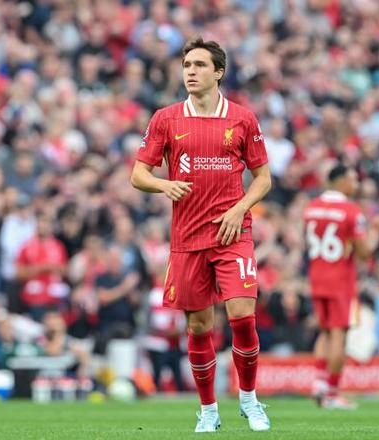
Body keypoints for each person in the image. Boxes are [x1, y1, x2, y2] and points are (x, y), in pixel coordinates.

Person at [130, 36, 272, 432]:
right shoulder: (166, 118)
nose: (190, 72)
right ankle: (208, 410)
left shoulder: (242, 119)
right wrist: (163, 185)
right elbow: (138, 174)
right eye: (187, 65)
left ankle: (249, 399)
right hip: (188, 238)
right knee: (197, 327)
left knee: (242, 315)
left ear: (218, 72)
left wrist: (240, 208)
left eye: (199, 65)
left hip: (232, 234)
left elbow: (263, 178)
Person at [303, 164, 379, 409]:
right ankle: (332, 393)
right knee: (338, 336)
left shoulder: (311, 208)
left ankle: (318, 384)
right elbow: (365, 252)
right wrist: (377, 229)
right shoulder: (351, 211)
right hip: (340, 280)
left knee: (324, 332)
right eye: (353, 179)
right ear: (340, 181)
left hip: (317, 276)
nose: (356, 184)